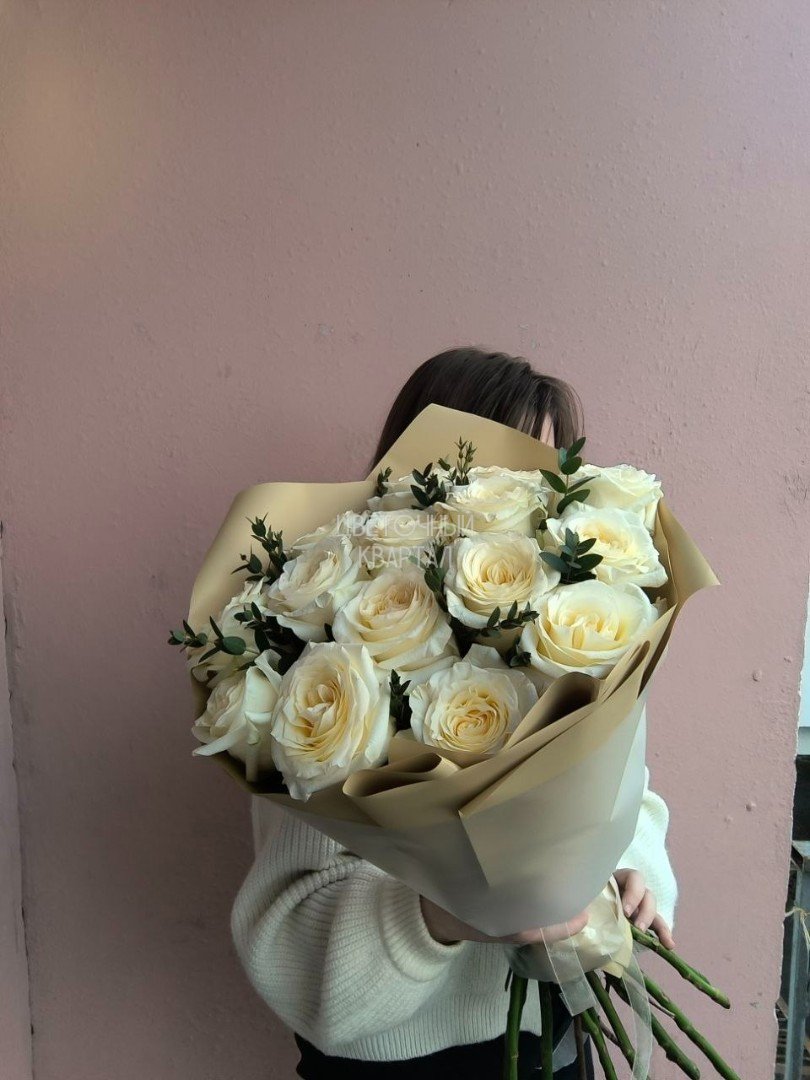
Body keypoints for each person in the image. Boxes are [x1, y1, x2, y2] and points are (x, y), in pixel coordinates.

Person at [230, 348, 678, 1078]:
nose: (530, 490)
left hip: (553, 1041)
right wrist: (446, 912)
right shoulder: (330, 661)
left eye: (549, 469)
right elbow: (301, 960)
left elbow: (634, 796)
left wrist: (628, 871)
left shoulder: (569, 631)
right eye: (506, 463)